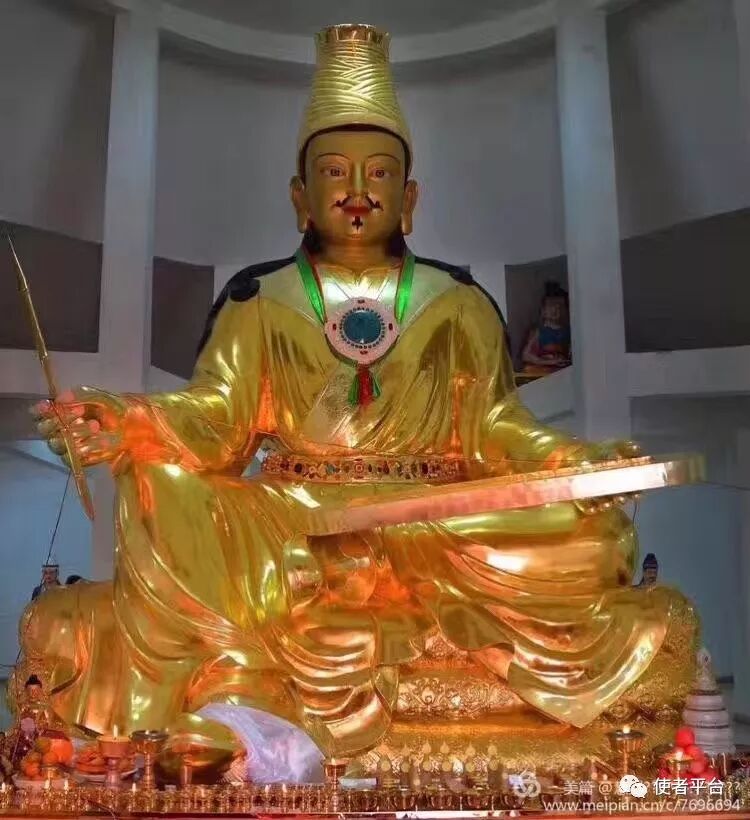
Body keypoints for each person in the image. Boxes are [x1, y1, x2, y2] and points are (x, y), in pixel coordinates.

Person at [20, 23, 694, 765]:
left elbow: (496, 428)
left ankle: (304, 637)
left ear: (410, 197)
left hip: (432, 520)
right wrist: (130, 422)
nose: (357, 192)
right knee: (163, 484)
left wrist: (574, 462)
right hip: (294, 519)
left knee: (595, 536)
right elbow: (218, 419)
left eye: (379, 174)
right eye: (334, 172)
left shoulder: (458, 302)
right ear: (299, 196)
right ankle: (240, 685)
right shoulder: (259, 300)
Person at [521, 281, 571, 376]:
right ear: (543, 310)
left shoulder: (566, 331)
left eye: (559, 306)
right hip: (543, 369)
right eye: (551, 306)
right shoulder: (538, 331)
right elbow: (526, 356)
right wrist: (549, 362)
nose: (555, 310)